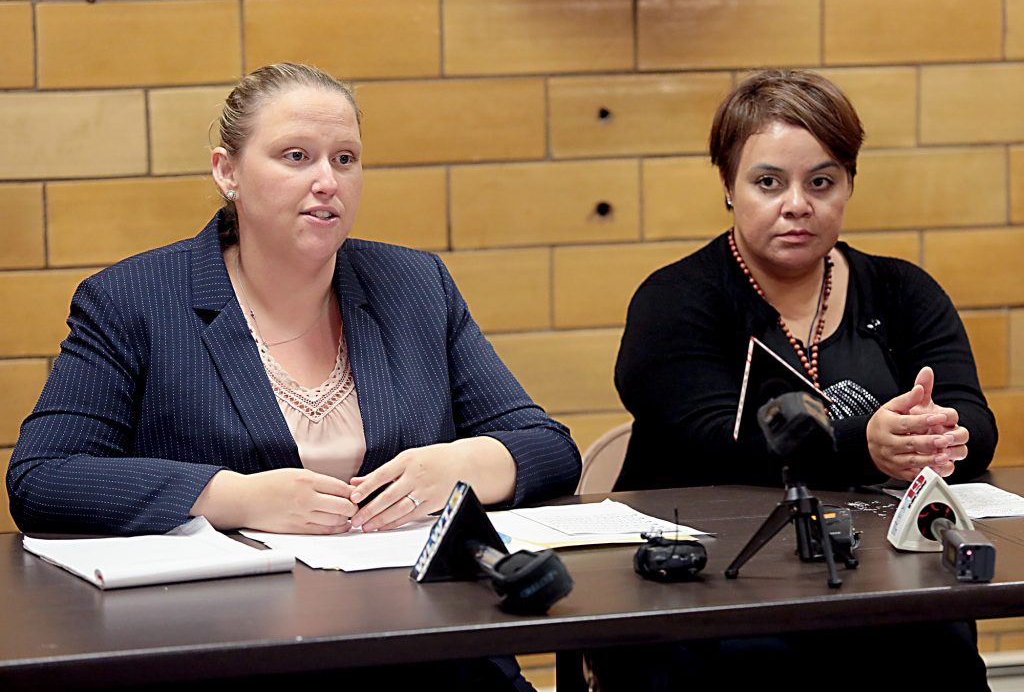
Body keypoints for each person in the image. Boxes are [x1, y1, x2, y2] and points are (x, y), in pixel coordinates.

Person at [7, 62, 580, 690]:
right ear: (228, 172)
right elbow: (44, 477)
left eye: (345, 159)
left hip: (421, 647)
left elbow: (548, 446)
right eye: (296, 156)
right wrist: (238, 497)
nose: (326, 182)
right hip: (225, 652)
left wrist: (458, 467)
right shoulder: (134, 299)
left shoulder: (415, 285)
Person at [590, 70, 996, 690]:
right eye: (768, 182)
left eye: (822, 181)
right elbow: (719, 442)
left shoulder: (903, 290)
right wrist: (868, 445)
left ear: (849, 185)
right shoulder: (674, 301)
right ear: (729, 186)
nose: (797, 204)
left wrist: (937, 436)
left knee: (938, 643)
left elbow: (976, 423)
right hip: (704, 590)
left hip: (877, 581)